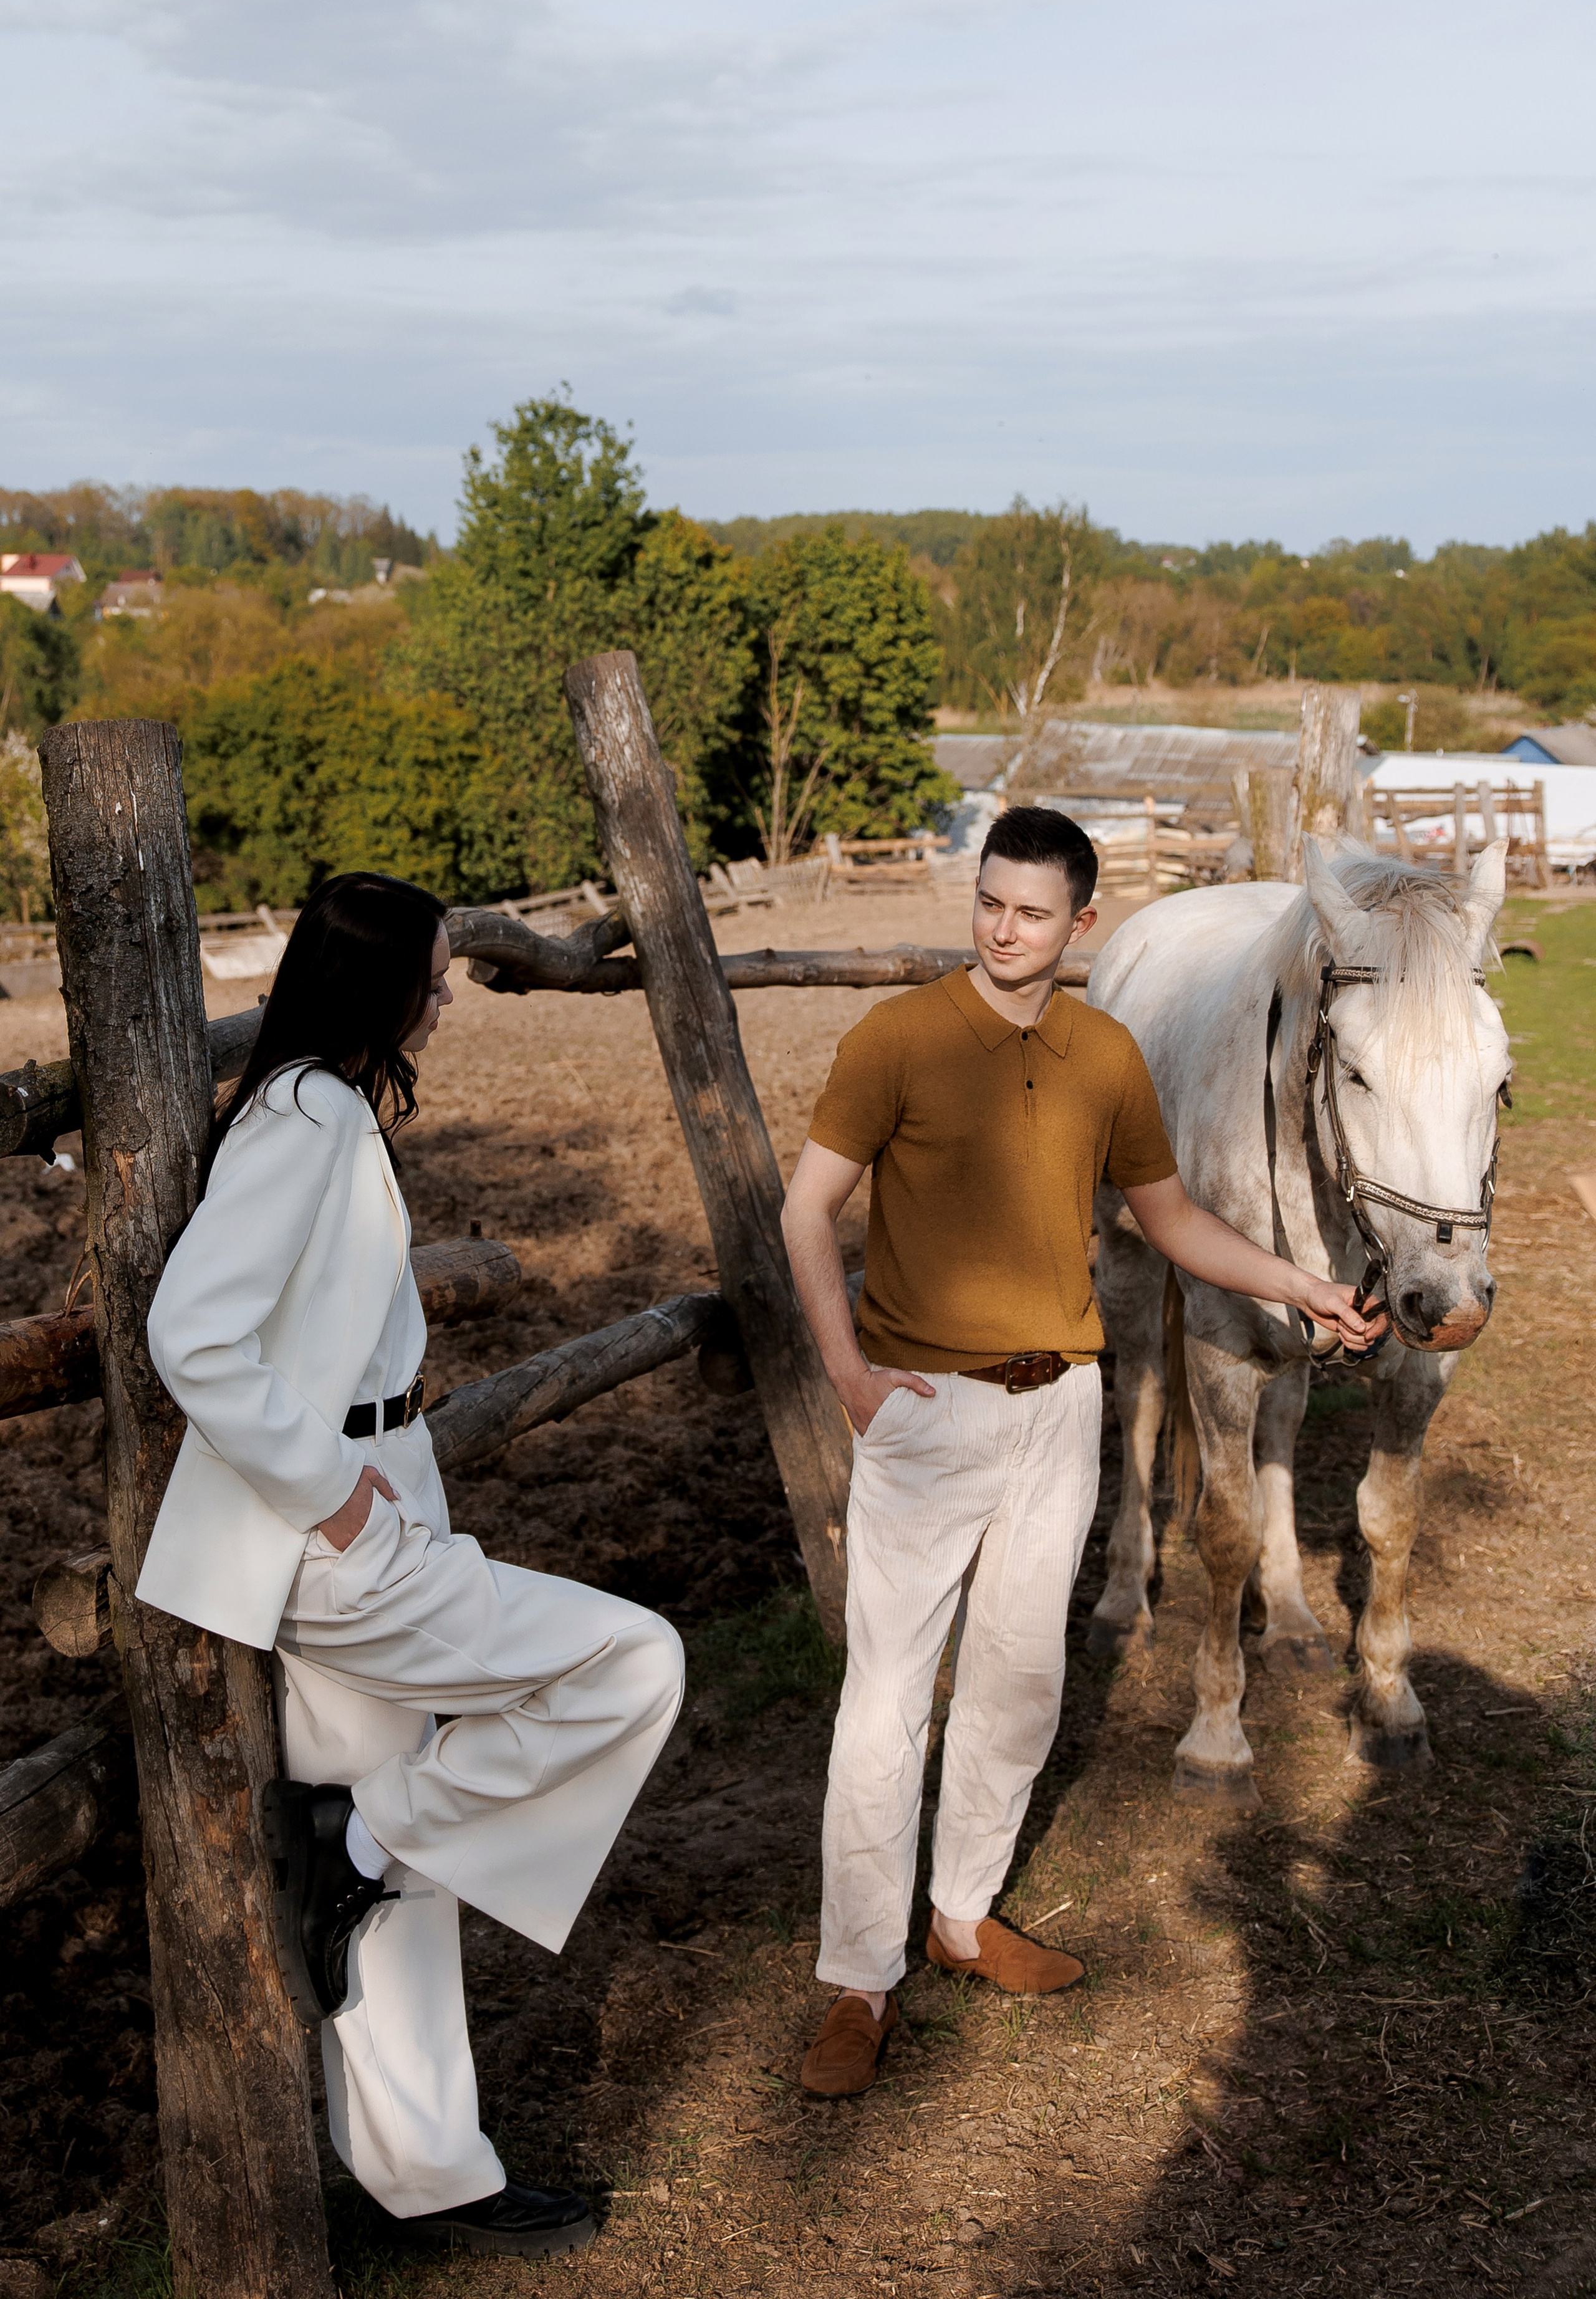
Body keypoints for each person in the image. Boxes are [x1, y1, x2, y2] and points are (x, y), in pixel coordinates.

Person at [781, 806, 1385, 2098]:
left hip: (1059, 1409)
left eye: (1032, 912)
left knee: (1019, 1683)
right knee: (886, 1703)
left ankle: (959, 1918)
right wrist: (850, 1380)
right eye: (990, 903)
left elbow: (1170, 1221)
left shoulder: (1105, 1053)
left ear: (1080, 924)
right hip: (922, 1410)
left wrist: (1303, 1287)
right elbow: (805, 1209)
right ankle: (858, 1980)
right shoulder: (895, 1039)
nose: (1004, 931)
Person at [135, 872, 685, 2257]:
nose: (446, 998)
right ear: (372, 987)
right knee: (633, 1662)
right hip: (334, 1538)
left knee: (393, 1872)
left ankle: (429, 2179)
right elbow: (191, 1333)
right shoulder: (307, 1118)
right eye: (431, 979)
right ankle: (360, 1838)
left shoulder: (321, 1105)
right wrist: (334, 1502)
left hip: (370, 1501)